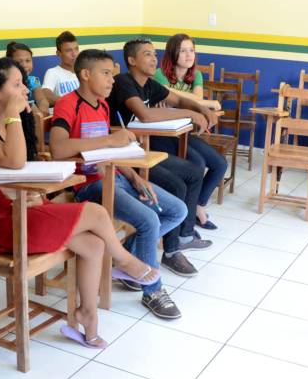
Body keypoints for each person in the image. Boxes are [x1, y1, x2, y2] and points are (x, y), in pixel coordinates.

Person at [0, 57, 161, 345]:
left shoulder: (11, 123)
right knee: (96, 212)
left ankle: (87, 314)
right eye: (16, 85)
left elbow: (26, 168)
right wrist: (15, 116)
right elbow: (14, 162)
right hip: (1, 224)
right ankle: (126, 262)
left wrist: (36, 192)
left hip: (25, 206)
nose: (24, 91)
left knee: (94, 244)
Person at [50, 49, 186, 318]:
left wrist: (134, 177)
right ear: (85, 75)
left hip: (117, 177)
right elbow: (58, 148)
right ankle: (153, 291)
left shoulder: (102, 105)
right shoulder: (68, 104)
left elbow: (111, 152)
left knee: (176, 210)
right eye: (105, 74)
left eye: (112, 75)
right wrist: (109, 140)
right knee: (149, 221)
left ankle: (126, 260)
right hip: (89, 186)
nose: (112, 80)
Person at [108, 39, 215, 277]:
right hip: (126, 158)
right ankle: (170, 251)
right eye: (147, 55)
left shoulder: (149, 83)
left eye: (155, 54)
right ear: (131, 60)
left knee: (194, 171)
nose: (154, 59)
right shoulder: (124, 82)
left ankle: (183, 236)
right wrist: (190, 112)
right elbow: (145, 115)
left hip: (141, 149)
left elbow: (178, 100)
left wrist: (202, 110)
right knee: (176, 185)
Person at [153, 33, 228, 229]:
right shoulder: (160, 73)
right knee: (198, 163)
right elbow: (195, 100)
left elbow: (194, 100)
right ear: (172, 53)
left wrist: (177, 96)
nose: (189, 55)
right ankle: (190, 218)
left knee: (219, 164)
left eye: (192, 50)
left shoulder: (196, 75)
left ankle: (198, 206)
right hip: (164, 135)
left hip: (186, 132)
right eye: (183, 51)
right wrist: (207, 102)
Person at [6, 41, 49, 113]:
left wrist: (42, 110)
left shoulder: (33, 80)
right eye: (19, 62)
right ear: (9, 63)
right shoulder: (6, 83)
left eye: (28, 60)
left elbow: (42, 100)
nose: (24, 65)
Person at [42, 30, 80, 99]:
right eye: (68, 50)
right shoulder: (53, 72)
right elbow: (45, 94)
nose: (74, 54)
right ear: (58, 53)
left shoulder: (84, 71)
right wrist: (69, 103)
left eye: (76, 49)